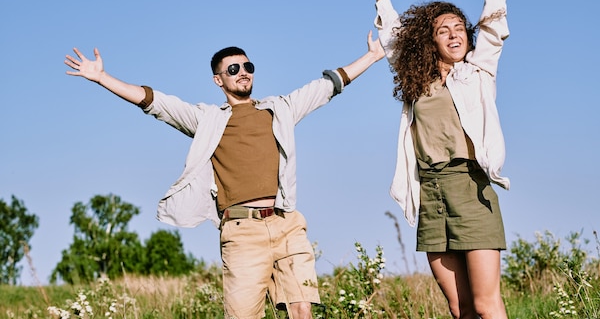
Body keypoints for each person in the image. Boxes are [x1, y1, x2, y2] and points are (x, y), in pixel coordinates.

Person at [64, 36, 384, 318]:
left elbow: (328, 86)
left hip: (287, 222)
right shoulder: (206, 119)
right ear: (218, 80)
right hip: (241, 230)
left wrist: (371, 55)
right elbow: (155, 102)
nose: (242, 72)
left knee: (302, 309)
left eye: (247, 66)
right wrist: (103, 77)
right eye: (233, 69)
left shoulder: (280, 109)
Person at [354, 0, 522, 319]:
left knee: (485, 303)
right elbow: (395, 40)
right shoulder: (417, 81)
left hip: (471, 186)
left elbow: (494, 19)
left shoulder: (479, 71)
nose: (455, 34)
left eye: (460, 28)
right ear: (429, 41)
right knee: (458, 306)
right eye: (443, 30)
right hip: (430, 191)